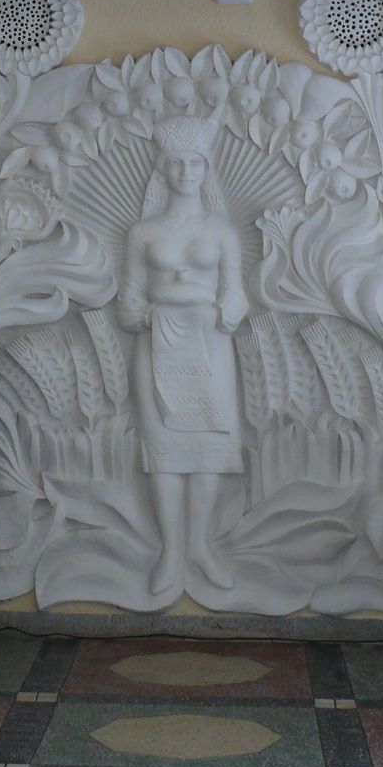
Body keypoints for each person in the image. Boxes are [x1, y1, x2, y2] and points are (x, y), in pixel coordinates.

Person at [116, 115, 247, 595]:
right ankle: (171, 551)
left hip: (210, 346)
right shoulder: (143, 233)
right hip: (158, 346)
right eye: (177, 163)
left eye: (195, 163)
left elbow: (237, 295)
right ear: (163, 170)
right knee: (165, 450)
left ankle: (200, 547)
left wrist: (222, 312)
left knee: (208, 450)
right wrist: (146, 315)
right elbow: (128, 301)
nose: (186, 171)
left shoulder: (221, 232)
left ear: (206, 169)